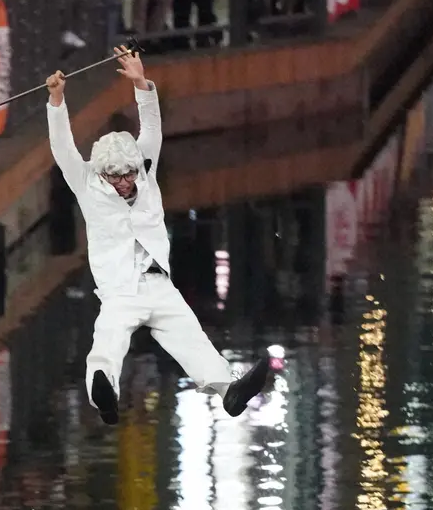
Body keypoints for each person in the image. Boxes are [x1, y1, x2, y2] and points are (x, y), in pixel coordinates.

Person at [44, 48, 270, 425]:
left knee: (190, 334)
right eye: (116, 177)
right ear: (102, 174)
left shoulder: (145, 169)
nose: (124, 183)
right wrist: (56, 100)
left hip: (159, 282)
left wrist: (140, 83)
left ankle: (228, 390)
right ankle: (105, 396)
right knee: (108, 341)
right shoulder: (85, 182)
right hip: (119, 288)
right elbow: (62, 147)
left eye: (128, 175)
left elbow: (151, 128)